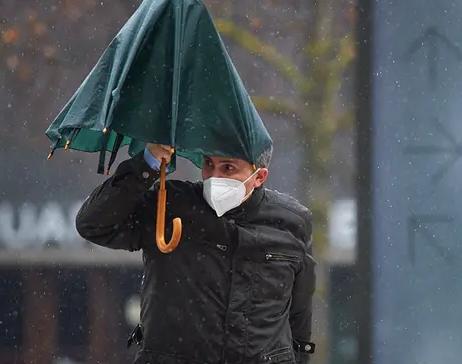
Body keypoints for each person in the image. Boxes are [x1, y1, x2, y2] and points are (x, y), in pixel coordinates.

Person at [75, 143, 316, 364]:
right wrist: (145, 165)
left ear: (259, 177)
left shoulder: (293, 222)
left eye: (228, 168)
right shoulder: (171, 203)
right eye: (209, 164)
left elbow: (299, 317)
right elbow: (93, 224)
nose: (214, 177)